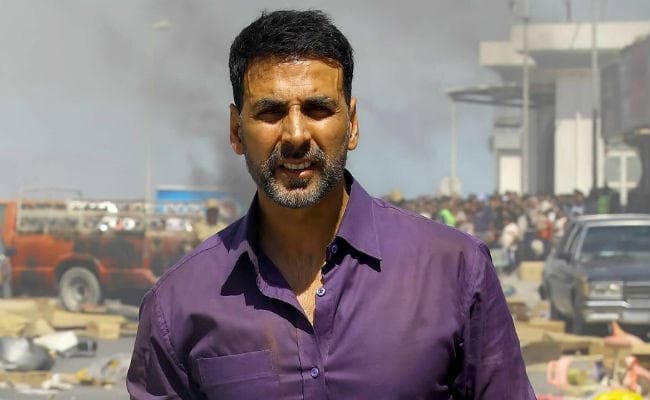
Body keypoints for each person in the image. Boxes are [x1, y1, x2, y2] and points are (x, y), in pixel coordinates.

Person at [126, 10, 535, 399]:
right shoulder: (179, 303)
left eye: (318, 109)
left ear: (352, 124)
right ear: (236, 131)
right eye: (270, 112)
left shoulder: (453, 270)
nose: (296, 134)